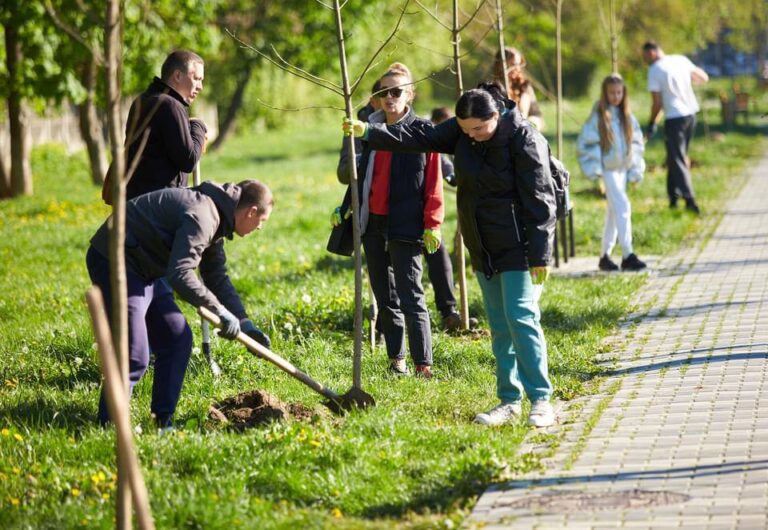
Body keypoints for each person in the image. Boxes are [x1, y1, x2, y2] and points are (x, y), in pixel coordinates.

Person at [343, 81, 557, 427]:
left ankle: (541, 400)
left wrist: (541, 255)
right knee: (500, 326)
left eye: (479, 128)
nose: (472, 136)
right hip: (483, 245)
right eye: (465, 130)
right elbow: (417, 138)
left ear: (496, 116)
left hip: (520, 246)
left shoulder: (523, 139)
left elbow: (541, 200)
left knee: (521, 318)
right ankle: (509, 400)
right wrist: (371, 131)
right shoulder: (460, 133)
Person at [87, 180, 273, 429]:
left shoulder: (218, 216)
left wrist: (244, 323)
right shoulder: (204, 216)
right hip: (116, 258)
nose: (260, 228)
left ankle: (162, 423)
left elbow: (215, 275)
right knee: (134, 356)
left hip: (145, 267)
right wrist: (218, 310)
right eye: (262, 221)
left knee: (177, 339)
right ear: (251, 212)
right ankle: (109, 428)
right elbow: (180, 273)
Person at [336, 63, 444, 378]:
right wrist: (346, 206)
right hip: (373, 223)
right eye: (383, 91)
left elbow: (434, 182)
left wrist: (432, 222)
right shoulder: (370, 129)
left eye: (396, 91)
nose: (389, 97)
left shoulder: (422, 132)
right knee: (385, 298)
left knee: (412, 295)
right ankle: (397, 361)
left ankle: (424, 364)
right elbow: (362, 175)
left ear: (410, 94)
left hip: (407, 225)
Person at [102, 49, 207, 204]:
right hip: (156, 205)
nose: (200, 86)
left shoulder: (142, 100)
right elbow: (188, 160)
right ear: (177, 76)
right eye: (197, 78)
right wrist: (198, 126)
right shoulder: (169, 105)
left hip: (136, 200)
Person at [577, 73, 647, 272]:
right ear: (605, 94)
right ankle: (628, 254)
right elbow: (587, 144)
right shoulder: (599, 118)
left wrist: (635, 171)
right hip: (607, 171)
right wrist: (596, 172)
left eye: (619, 92)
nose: (615, 96)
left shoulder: (627, 118)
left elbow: (636, 144)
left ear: (624, 93)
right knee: (623, 207)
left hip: (622, 170)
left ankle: (605, 256)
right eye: (611, 93)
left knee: (614, 213)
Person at [642, 41, 709, 214]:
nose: (645, 61)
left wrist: (651, 123)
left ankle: (690, 201)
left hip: (674, 118)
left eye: (645, 57)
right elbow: (703, 77)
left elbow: (657, 103)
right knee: (674, 157)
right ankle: (673, 198)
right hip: (691, 115)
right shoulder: (680, 59)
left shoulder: (654, 70)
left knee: (678, 159)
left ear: (652, 53)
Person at [428, 106, 478, 331]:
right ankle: (387, 321)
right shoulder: (368, 123)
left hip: (425, 211)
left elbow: (437, 156)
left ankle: (449, 312)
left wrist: (451, 174)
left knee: (439, 258)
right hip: (390, 212)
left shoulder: (421, 126)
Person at [494, 47, 544, 130]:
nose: (517, 68)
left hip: (524, 132)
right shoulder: (493, 88)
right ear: (501, 65)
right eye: (513, 64)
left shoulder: (524, 86)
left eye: (519, 64)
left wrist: (530, 123)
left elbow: (536, 114)